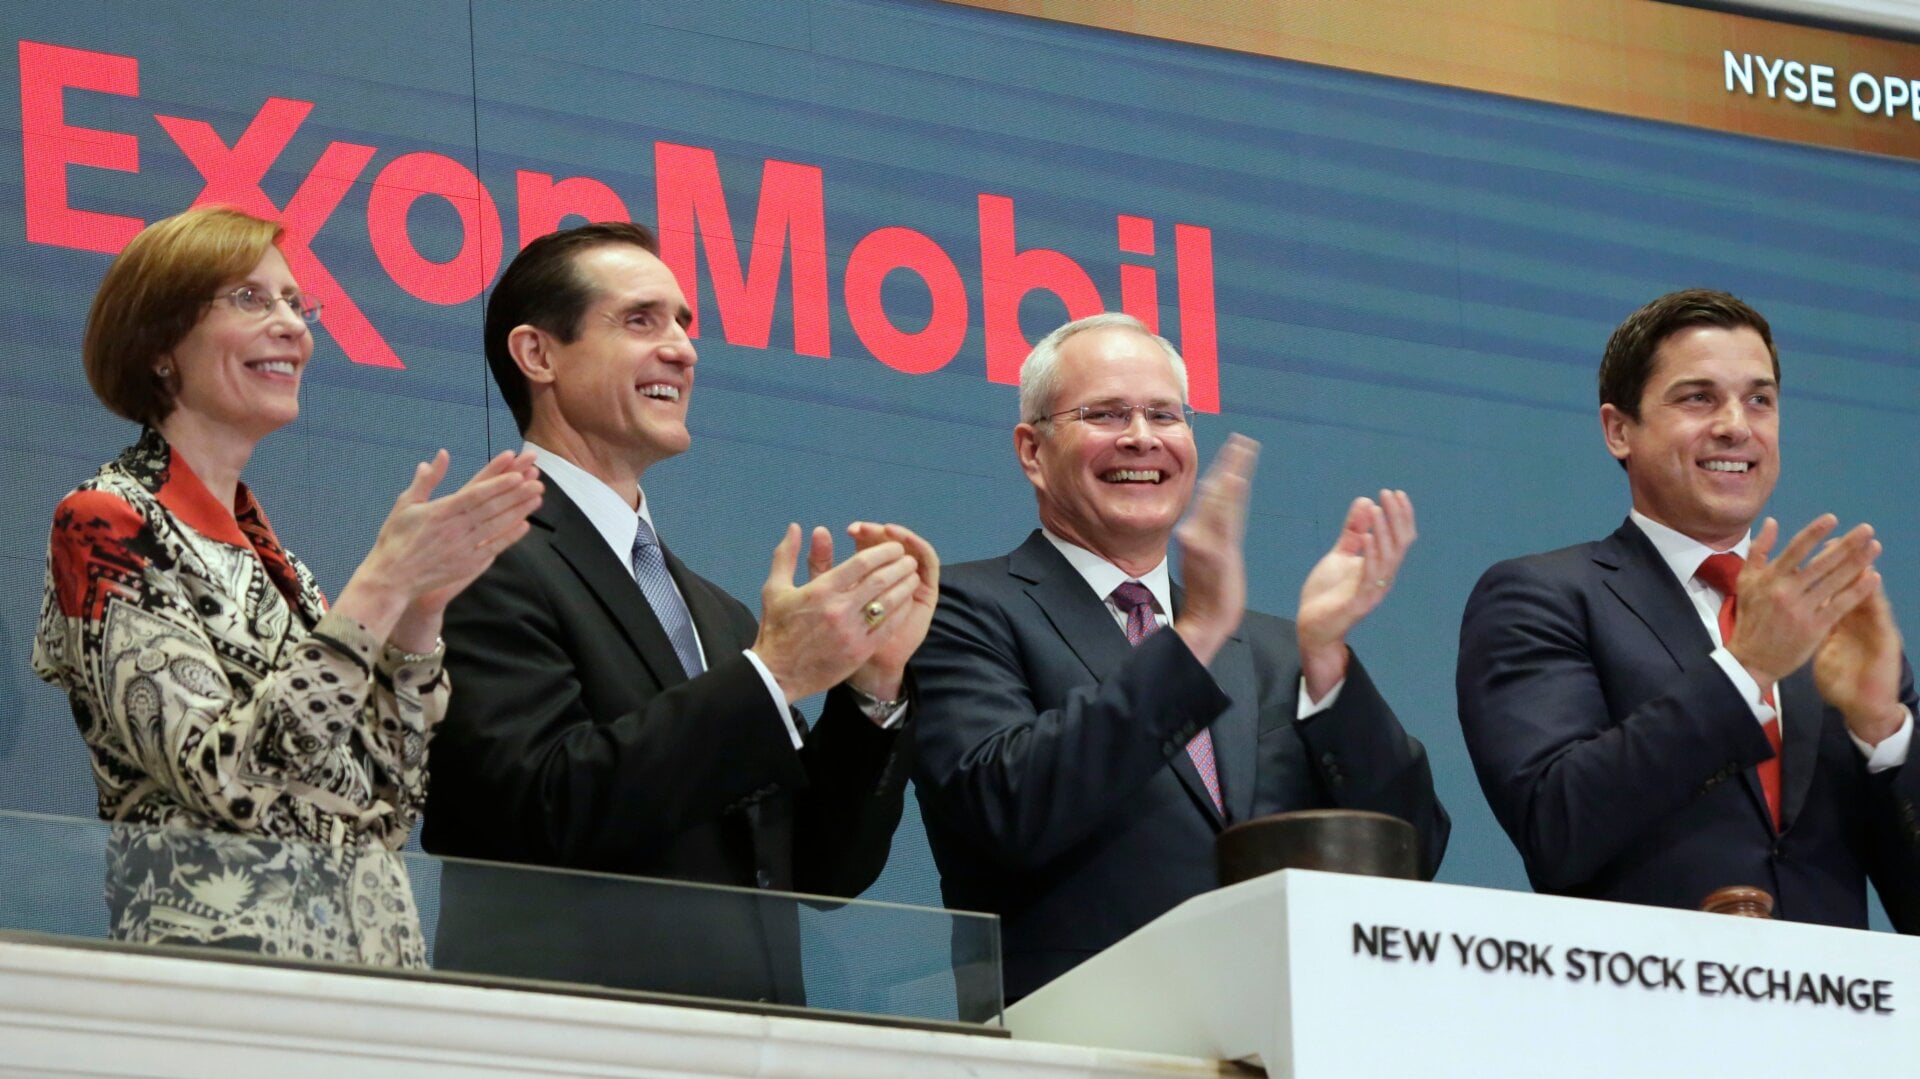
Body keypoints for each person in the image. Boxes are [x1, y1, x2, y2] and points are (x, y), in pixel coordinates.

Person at [422, 221, 937, 1004]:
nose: (683, 350)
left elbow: (824, 871)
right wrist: (776, 673)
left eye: (684, 324)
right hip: (572, 1047)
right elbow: (538, 810)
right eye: (640, 320)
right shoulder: (478, 553)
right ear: (538, 355)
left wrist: (871, 685)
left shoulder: (718, 616)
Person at [31, 206, 543, 967]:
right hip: (223, 988)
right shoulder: (105, 524)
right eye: (250, 299)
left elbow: (389, 807)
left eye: (297, 305)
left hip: (365, 989)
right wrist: (382, 581)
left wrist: (419, 613)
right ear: (162, 344)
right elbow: (226, 777)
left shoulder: (290, 577)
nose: (293, 327)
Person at [909, 312, 1450, 1004]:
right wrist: (1192, 636)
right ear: (1031, 449)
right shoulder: (960, 606)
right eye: (1105, 413)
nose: (1141, 436)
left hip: (1280, 1033)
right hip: (1079, 1037)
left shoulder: (1281, 649)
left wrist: (1326, 661)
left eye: (1165, 414)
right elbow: (1008, 811)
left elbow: (1413, 852)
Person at [1457, 288, 1920, 929]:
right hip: (1642, 1012)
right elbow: (1556, 827)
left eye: (1760, 399)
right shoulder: (1543, 597)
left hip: (1836, 1016)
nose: (1736, 424)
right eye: (1698, 396)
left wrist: (1884, 732)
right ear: (1619, 430)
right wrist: (1746, 669)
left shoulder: (1830, 624)